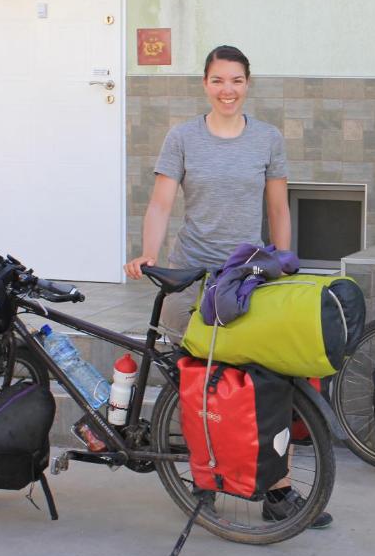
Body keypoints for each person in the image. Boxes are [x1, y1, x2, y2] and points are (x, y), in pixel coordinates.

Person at [124, 45, 331, 529]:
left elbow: (279, 209)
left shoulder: (267, 139)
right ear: (205, 84)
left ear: (247, 83)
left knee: (268, 383)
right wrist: (148, 253)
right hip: (193, 276)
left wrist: (284, 264)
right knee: (197, 384)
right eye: (218, 80)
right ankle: (205, 485)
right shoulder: (182, 138)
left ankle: (277, 493)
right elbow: (160, 204)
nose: (228, 90)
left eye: (236, 80)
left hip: (247, 278)